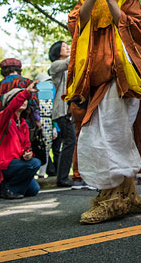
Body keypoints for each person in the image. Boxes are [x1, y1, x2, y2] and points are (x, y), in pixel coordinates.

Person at [65, 0, 141, 224]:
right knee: (106, 137)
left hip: (120, 79)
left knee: (108, 138)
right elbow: (77, 26)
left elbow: (140, 30)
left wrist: (113, 0)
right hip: (95, 81)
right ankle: (126, 195)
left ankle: (111, 199)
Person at [0, 81, 41, 199]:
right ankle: (9, 189)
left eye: (25, 99)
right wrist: (26, 92)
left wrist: (28, 153)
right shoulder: (3, 117)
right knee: (35, 164)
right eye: (19, 98)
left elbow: (27, 145)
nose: (24, 101)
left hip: (18, 164)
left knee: (34, 190)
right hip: (4, 164)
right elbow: (11, 108)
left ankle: (2, 185)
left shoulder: (23, 123)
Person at [48, 41, 80, 188]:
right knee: (70, 141)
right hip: (62, 110)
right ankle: (62, 177)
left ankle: (63, 176)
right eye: (65, 46)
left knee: (69, 142)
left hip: (69, 109)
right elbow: (69, 62)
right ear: (57, 51)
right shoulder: (55, 65)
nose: (68, 48)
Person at [0, 58, 41, 131]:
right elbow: (34, 103)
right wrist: (38, 120)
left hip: (5, 124)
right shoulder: (28, 83)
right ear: (19, 69)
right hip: (25, 123)